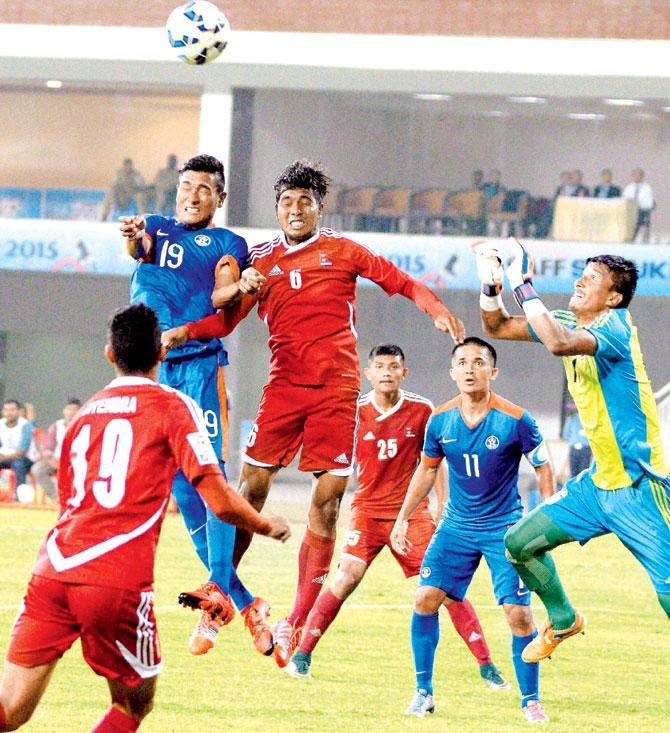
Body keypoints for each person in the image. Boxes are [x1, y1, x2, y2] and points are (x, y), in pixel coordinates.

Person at [162, 159, 465, 669]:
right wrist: (185, 332)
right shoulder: (259, 260)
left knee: (326, 504)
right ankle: (217, 599)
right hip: (283, 388)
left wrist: (435, 308)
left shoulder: (343, 251)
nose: (295, 209)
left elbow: (401, 282)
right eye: (286, 201)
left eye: (305, 201)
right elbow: (223, 321)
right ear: (276, 208)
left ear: (318, 208)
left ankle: (296, 619)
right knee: (249, 487)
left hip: (337, 391)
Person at [0, 303, 290, 732]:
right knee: (134, 703)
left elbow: (67, 498)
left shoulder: (85, 415)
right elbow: (220, 500)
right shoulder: (173, 406)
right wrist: (268, 526)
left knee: (11, 707)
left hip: (51, 571)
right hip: (113, 578)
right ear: (161, 352)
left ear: (109, 355)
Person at [474, 238, 670, 666]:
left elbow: (558, 342)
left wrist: (522, 281)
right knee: (519, 544)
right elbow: (498, 327)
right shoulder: (564, 320)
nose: (580, 280)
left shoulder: (615, 328)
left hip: (641, 488)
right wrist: (491, 286)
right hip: (597, 487)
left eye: (593, 278)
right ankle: (563, 618)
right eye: (582, 272)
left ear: (613, 297)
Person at [285, 343, 507, 690]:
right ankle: (302, 657)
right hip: (367, 513)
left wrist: (443, 507)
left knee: (445, 588)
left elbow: (436, 462)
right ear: (369, 373)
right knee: (345, 579)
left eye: (394, 367)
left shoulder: (421, 410)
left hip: (410, 515)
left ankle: (487, 666)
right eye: (380, 367)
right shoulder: (354, 413)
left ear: (405, 373)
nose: (387, 372)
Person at [121, 153, 269, 658]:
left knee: (209, 479)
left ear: (220, 198)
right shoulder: (158, 229)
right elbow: (139, 248)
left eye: (205, 188)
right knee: (181, 487)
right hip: (153, 369)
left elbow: (225, 288)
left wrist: (241, 286)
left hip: (200, 368)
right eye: (187, 186)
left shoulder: (228, 243)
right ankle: (243, 603)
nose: (193, 194)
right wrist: (132, 235)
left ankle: (218, 602)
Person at [390, 337, 555, 724]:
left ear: (492, 372)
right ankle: (423, 693)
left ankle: (530, 701)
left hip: (505, 529)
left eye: (479, 362)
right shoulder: (441, 420)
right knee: (425, 599)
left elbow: (544, 467)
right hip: (457, 527)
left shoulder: (516, 419)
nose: (469, 368)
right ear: (452, 371)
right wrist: (402, 517)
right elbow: (428, 469)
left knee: (518, 615)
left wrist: (547, 518)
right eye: (462, 362)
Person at [31, 398, 81, 502]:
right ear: (64, 411)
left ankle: (77, 499)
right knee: (38, 469)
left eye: (74, 409)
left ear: (80, 411)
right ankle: (57, 498)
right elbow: (48, 448)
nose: (71, 412)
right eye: (69, 409)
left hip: (77, 462)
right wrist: (51, 459)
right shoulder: (56, 427)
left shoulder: (83, 426)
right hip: (56, 460)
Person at [0, 399, 33, 496]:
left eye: (12, 410)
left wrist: (3, 457)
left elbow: (23, 451)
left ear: (18, 412)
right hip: (4, 457)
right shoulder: (0, 424)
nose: (9, 413)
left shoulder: (25, 425)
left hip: (24, 459)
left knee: (19, 464)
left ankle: (19, 496)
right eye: (6, 410)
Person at [560, 402, 592, 480]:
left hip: (585, 449)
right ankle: (575, 490)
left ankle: (581, 490)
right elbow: (565, 435)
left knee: (582, 474)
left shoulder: (590, 420)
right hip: (575, 449)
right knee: (574, 474)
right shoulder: (571, 420)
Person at [623, 168, 655, 242]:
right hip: (629, 212)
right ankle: (628, 237)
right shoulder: (629, 187)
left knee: (639, 218)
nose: (637, 177)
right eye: (635, 175)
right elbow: (625, 199)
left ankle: (636, 237)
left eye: (639, 175)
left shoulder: (647, 187)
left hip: (642, 210)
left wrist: (637, 205)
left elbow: (649, 201)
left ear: (642, 176)